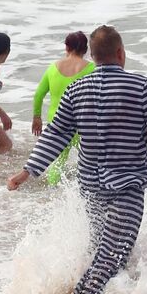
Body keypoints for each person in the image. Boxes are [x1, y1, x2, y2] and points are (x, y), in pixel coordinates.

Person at [7, 26, 147, 294]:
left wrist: (27, 171)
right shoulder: (142, 87)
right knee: (113, 254)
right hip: (127, 186)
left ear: (94, 57)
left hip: (90, 184)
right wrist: (145, 130)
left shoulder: (76, 89)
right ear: (121, 54)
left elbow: (55, 135)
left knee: (102, 247)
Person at [31, 31, 96, 185]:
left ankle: (53, 191)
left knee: (57, 161)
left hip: (58, 121)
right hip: (83, 123)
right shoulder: (92, 68)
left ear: (66, 47)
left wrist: (37, 117)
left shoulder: (53, 68)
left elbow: (38, 95)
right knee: (89, 161)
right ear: (85, 49)